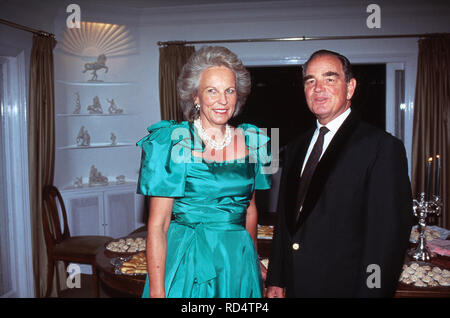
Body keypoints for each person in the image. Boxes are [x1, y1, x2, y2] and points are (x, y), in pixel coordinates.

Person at [266, 49, 413, 297]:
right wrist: (277, 278)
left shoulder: (381, 147)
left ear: (350, 87)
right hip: (294, 286)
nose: (318, 88)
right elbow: (285, 221)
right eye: (310, 80)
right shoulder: (295, 147)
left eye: (330, 78)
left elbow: (385, 239)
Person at [137, 46, 271, 298]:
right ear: (195, 97)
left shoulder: (256, 140)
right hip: (189, 260)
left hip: (237, 262)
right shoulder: (171, 141)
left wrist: (253, 262)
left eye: (229, 90)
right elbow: (158, 224)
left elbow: (250, 210)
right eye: (212, 91)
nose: (223, 100)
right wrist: (157, 291)